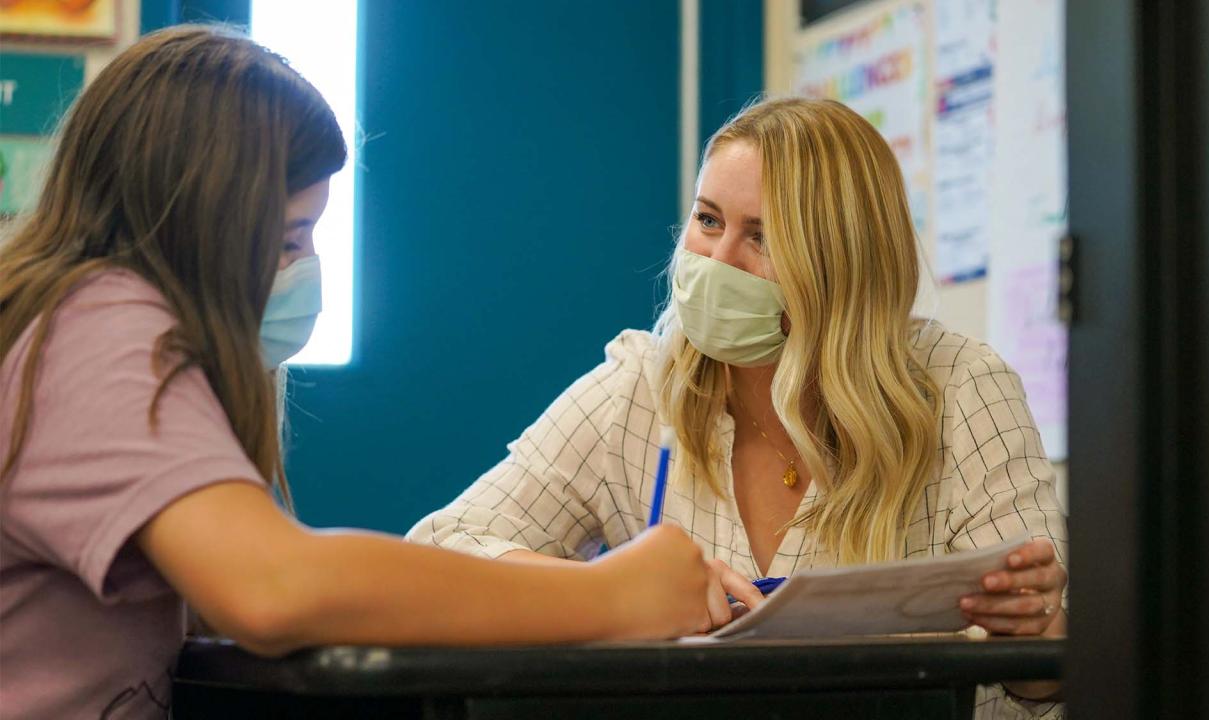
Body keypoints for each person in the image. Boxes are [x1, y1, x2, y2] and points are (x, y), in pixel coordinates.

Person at [0, 26, 709, 719]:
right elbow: (273, 587)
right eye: (285, 240)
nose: (302, 270)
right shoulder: (94, 328)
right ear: (195, 227)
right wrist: (613, 596)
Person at [409, 98, 1068, 717]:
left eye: (762, 238)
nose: (715, 263)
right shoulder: (641, 385)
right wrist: (612, 588)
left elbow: (1058, 687)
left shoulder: (959, 388)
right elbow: (440, 553)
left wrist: (1039, 647)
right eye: (708, 220)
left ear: (841, 265)